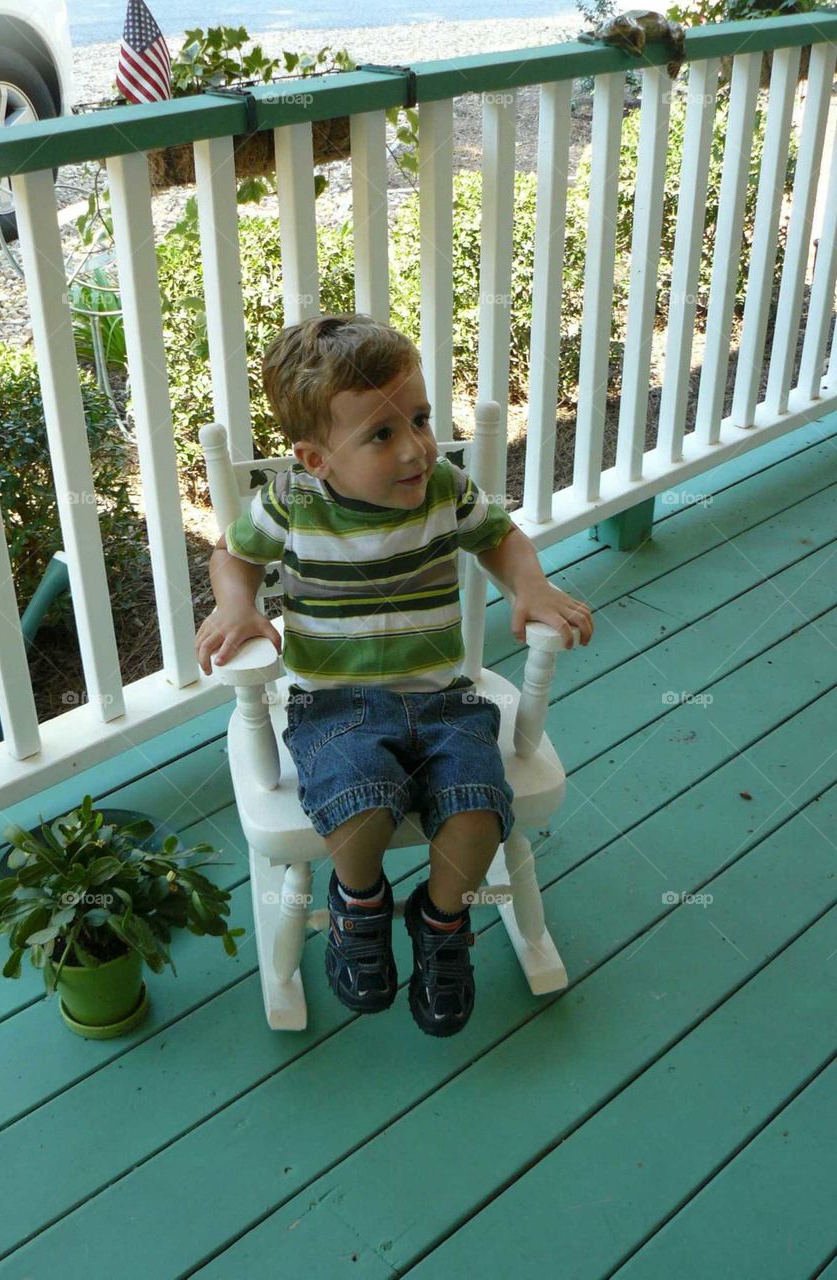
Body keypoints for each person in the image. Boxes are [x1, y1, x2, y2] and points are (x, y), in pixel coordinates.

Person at [195, 313, 593, 1037]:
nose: (414, 447)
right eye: (381, 435)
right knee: (359, 803)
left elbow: (498, 536)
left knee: (476, 806)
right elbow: (233, 552)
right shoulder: (294, 503)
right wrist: (236, 606)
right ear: (316, 459)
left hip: (445, 700)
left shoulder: (442, 486)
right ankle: (361, 909)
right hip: (335, 706)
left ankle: (442, 929)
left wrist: (527, 588)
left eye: (418, 419)